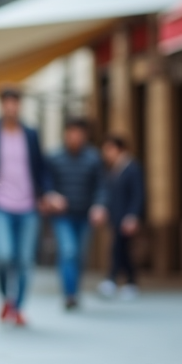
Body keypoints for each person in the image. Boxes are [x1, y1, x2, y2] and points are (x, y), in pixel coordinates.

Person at [0, 87, 52, 325]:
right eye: (7, 103)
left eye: (15, 103)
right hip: (1, 204)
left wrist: (46, 194)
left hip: (28, 206)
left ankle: (19, 307)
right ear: (1, 106)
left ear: (20, 106)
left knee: (24, 260)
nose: (11, 108)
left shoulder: (31, 134)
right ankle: (6, 298)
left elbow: (40, 168)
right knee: (3, 255)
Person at [45, 117, 108, 309]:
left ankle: (74, 290)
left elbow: (101, 186)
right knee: (69, 251)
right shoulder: (54, 158)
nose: (75, 137)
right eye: (71, 132)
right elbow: (47, 184)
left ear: (85, 135)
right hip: (62, 216)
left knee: (79, 255)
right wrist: (52, 196)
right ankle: (69, 294)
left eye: (79, 133)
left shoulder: (94, 159)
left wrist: (99, 205)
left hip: (84, 215)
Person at [98, 135, 145, 300]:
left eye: (109, 150)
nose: (106, 154)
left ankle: (114, 280)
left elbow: (138, 194)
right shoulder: (113, 169)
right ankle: (128, 282)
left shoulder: (132, 168)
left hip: (126, 217)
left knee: (120, 249)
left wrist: (133, 215)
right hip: (116, 216)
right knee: (121, 250)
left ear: (119, 149)